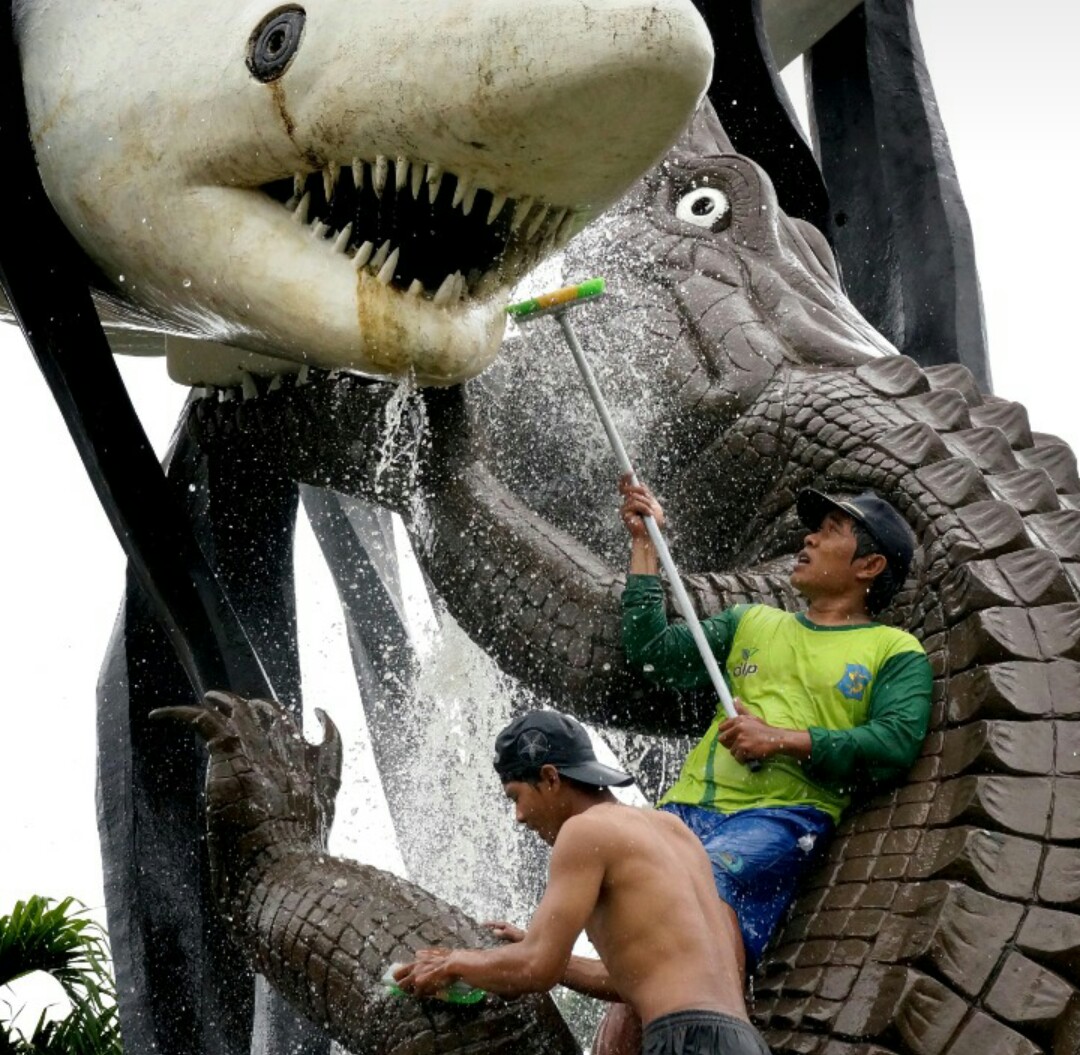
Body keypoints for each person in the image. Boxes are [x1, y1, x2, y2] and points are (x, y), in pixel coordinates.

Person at [594, 476, 932, 1052]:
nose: (808, 539)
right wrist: (644, 544)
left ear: (869, 565)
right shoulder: (752, 622)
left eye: (830, 532)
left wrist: (780, 740)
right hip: (687, 808)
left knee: (691, 908)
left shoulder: (894, 651)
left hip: (779, 819)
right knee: (634, 928)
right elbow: (654, 657)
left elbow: (895, 741)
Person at [394, 709, 772, 1055]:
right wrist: (538, 949)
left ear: (550, 777)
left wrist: (455, 963)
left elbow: (535, 969)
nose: (519, 817)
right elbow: (637, 978)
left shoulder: (584, 831)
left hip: (684, 1041)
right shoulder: (673, 831)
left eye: (516, 796)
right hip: (742, 1042)